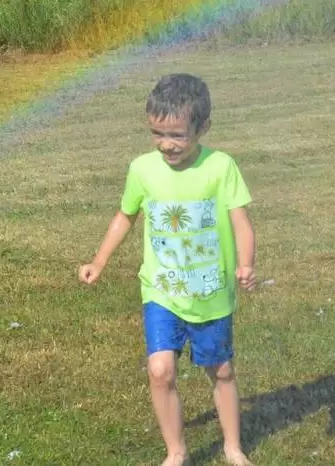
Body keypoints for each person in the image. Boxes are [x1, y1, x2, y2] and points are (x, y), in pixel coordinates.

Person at [79, 73, 256, 466]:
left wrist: (246, 264)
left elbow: (241, 222)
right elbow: (125, 216)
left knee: (220, 370)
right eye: (157, 133)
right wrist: (99, 261)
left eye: (177, 135)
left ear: (203, 127)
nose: (166, 144)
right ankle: (176, 451)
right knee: (160, 370)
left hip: (210, 292)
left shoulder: (220, 167)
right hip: (160, 290)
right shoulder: (143, 169)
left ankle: (232, 447)